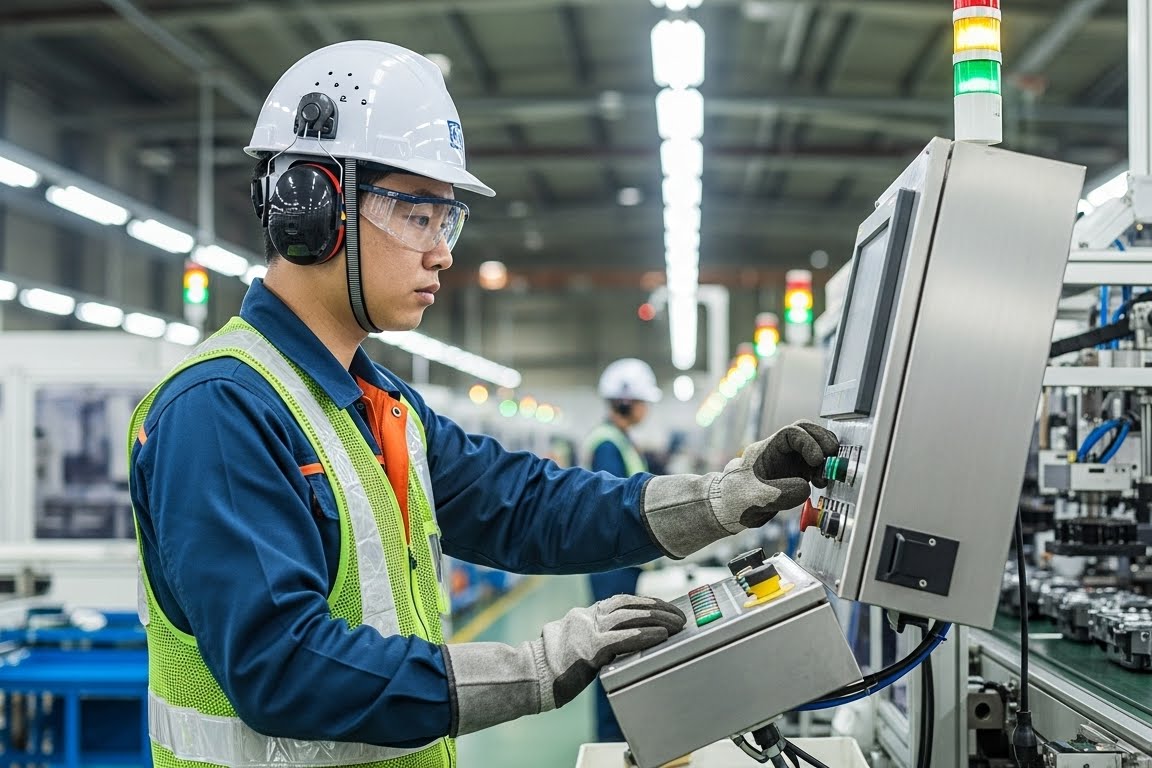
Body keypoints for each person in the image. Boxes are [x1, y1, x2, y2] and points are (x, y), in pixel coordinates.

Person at [128, 40, 838, 767]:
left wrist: (724, 497)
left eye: (448, 221)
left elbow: (527, 505)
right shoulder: (219, 411)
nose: (442, 252)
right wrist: (534, 667)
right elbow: (284, 667)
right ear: (313, 209)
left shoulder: (381, 405)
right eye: (416, 216)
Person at [583, 357, 661, 742]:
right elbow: (614, 506)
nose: (647, 408)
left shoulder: (621, 440)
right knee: (612, 650)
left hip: (623, 562)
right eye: (643, 400)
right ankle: (611, 742)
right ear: (626, 402)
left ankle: (621, 732)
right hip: (612, 567)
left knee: (622, 648)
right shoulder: (608, 445)